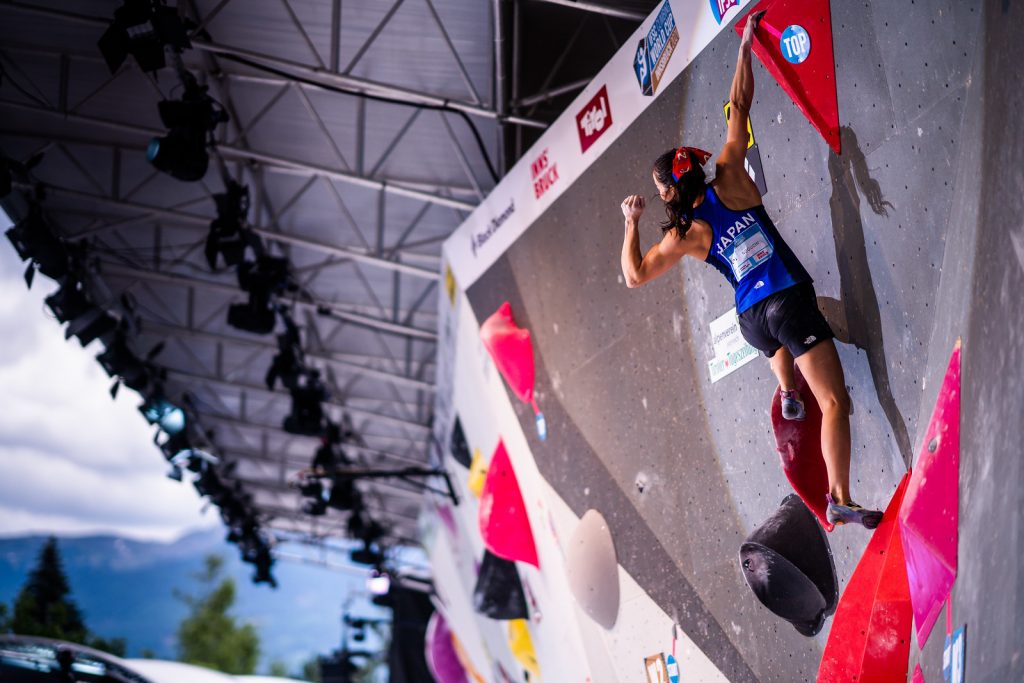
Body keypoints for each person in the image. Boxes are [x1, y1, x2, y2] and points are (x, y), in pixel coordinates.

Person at [618, 11, 881, 529]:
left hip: (750, 319)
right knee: (834, 402)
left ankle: (786, 392)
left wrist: (630, 223)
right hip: (784, 300)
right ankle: (839, 496)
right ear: (695, 167)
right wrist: (744, 47)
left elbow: (633, 276)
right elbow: (738, 104)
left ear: (667, 194)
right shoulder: (731, 175)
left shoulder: (682, 233)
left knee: (780, 350)